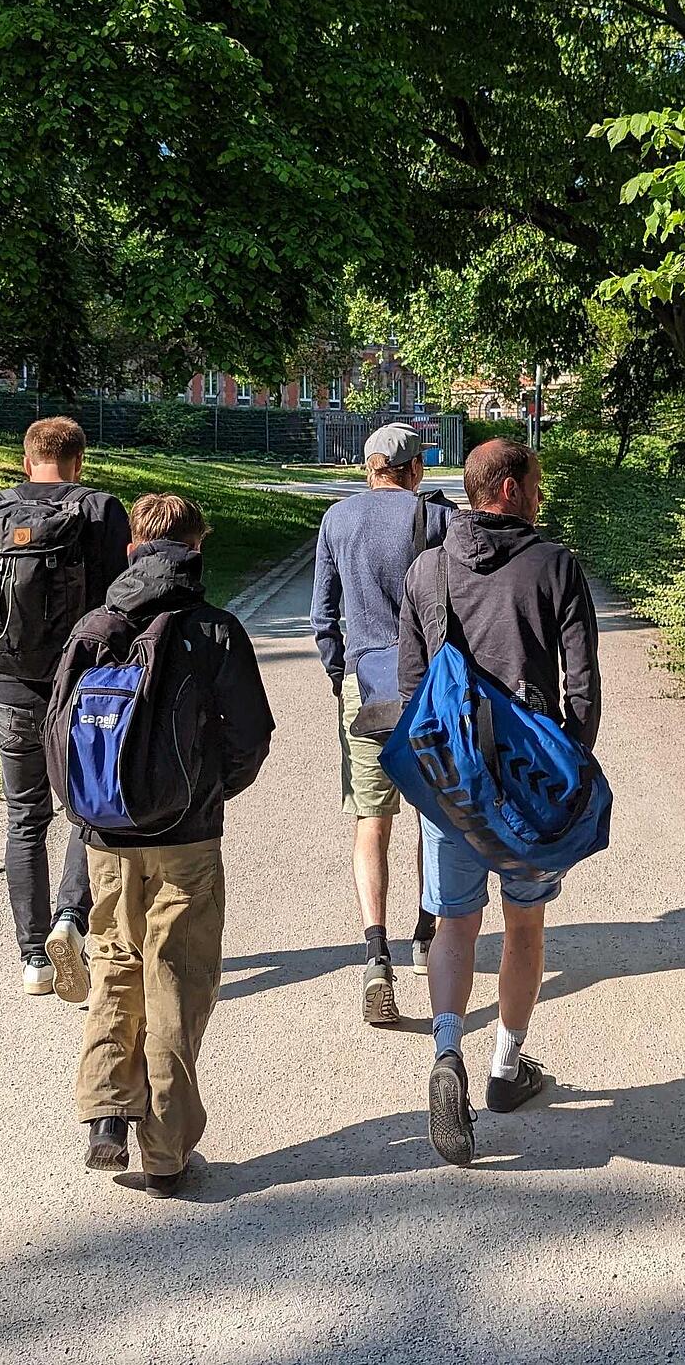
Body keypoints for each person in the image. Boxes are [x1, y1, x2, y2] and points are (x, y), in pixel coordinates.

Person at [398, 438, 601, 1166]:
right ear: (510, 489)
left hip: (450, 779)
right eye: (537, 483)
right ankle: (507, 1068)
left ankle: (446, 1051)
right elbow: (582, 688)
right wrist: (573, 771)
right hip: (528, 783)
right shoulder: (555, 566)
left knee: (453, 926)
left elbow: (412, 685)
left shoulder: (427, 570)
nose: (541, 496)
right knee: (524, 927)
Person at [77, 493, 274, 1196]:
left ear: (132, 548)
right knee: (177, 980)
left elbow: (56, 735)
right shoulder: (214, 631)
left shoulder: (94, 627)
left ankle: (106, 1109)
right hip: (187, 838)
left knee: (115, 963)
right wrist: (208, 793)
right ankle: (163, 1151)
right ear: (197, 548)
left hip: (106, 836)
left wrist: (90, 813)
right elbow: (250, 738)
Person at [0, 416, 130, 999]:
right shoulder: (100, 512)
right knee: (87, 808)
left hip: (9, 690)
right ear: (79, 461)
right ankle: (70, 920)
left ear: (26, 462)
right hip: (83, 688)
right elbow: (122, 602)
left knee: (24, 817)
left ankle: (33, 959)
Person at [310, 423, 454, 1025]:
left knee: (372, 821)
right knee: (433, 816)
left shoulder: (337, 521)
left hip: (364, 688)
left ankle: (376, 952)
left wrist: (340, 672)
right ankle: (426, 935)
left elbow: (322, 615)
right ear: (415, 467)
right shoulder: (436, 519)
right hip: (427, 690)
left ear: (368, 466)